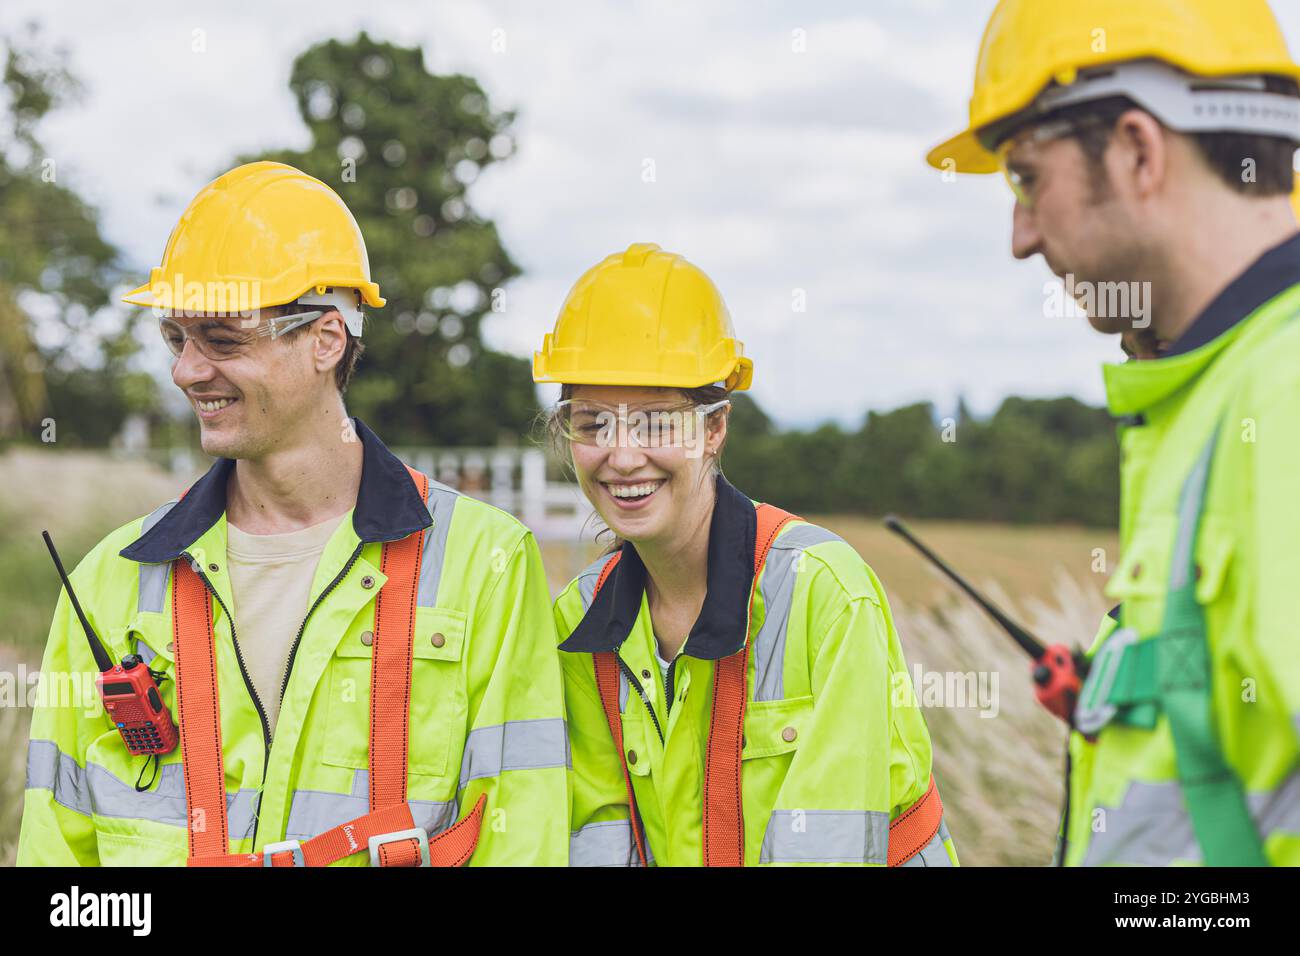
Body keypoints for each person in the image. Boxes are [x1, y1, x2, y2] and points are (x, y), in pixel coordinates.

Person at [18, 161, 568, 866]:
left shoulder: (483, 564)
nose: (187, 371)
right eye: (177, 338)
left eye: (223, 340)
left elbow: (526, 838)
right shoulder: (107, 582)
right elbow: (58, 862)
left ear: (326, 340)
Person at [928, 0, 1300, 865]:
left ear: (1138, 149)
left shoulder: (1280, 392)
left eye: (1026, 178)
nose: (1020, 237)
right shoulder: (1213, 389)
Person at [536, 242, 957, 866]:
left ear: (714, 428)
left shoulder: (822, 591)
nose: (621, 456)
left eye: (656, 422)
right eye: (594, 422)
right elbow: (600, 833)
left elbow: (829, 847)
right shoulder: (579, 621)